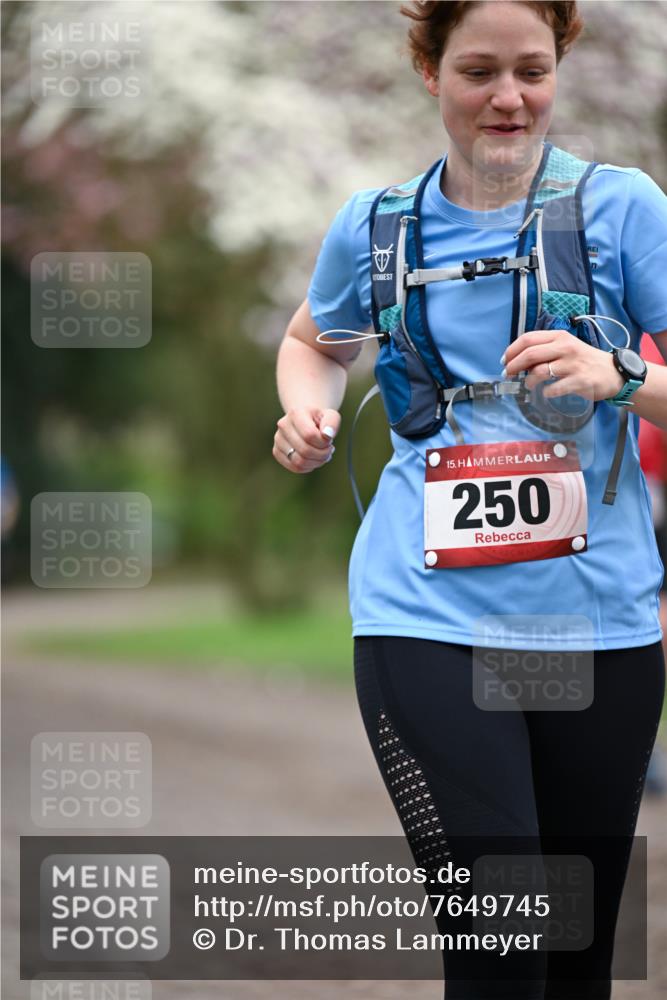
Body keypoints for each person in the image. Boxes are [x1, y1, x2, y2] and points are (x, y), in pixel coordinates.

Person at [274, 2, 667, 997]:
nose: (507, 97)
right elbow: (312, 341)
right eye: (477, 71)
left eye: (531, 71)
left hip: (599, 626)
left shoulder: (623, 209)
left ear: (560, 68)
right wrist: (307, 414)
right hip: (425, 619)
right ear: (429, 70)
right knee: (500, 948)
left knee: (575, 961)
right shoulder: (375, 225)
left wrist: (616, 373)